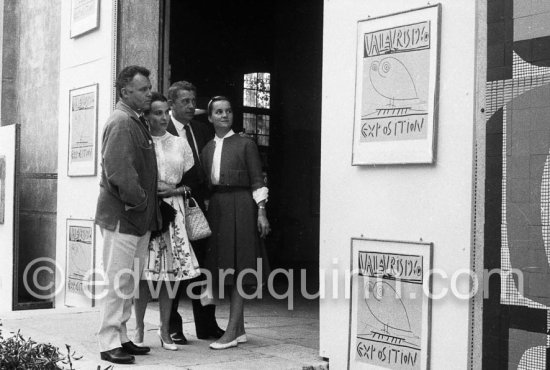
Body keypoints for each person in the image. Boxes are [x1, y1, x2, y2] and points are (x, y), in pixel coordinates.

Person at [95, 65, 161, 364]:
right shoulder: (122, 122)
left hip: (135, 218)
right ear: (125, 91)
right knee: (118, 281)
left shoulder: (134, 121)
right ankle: (109, 341)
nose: (149, 93)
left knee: (128, 281)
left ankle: (121, 336)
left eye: (148, 88)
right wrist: (142, 202)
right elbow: (120, 173)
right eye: (144, 89)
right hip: (125, 217)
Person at [200, 96, 271, 349]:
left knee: (241, 266)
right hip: (218, 208)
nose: (224, 115)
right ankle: (239, 329)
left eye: (228, 111)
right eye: (218, 112)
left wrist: (261, 211)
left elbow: (257, 180)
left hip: (242, 206)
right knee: (225, 268)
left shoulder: (245, 144)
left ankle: (231, 332)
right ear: (210, 117)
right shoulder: (207, 148)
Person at [133, 92, 201, 351]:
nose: (162, 118)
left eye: (165, 112)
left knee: (170, 276)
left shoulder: (179, 143)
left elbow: (193, 181)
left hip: (173, 211)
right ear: (146, 115)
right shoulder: (141, 140)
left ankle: (165, 330)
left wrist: (173, 191)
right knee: (143, 274)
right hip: (148, 210)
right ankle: (138, 328)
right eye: (156, 113)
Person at [166, 81, 224, 344]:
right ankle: (173, 325)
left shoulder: (201, 130)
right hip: (170, 207)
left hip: (199, 208)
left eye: (193, 100)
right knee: (175, 266)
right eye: (185, 101)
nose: (191, 105)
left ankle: (206, 324)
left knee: (204, 268)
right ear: (171, 104)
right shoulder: (159, 129)